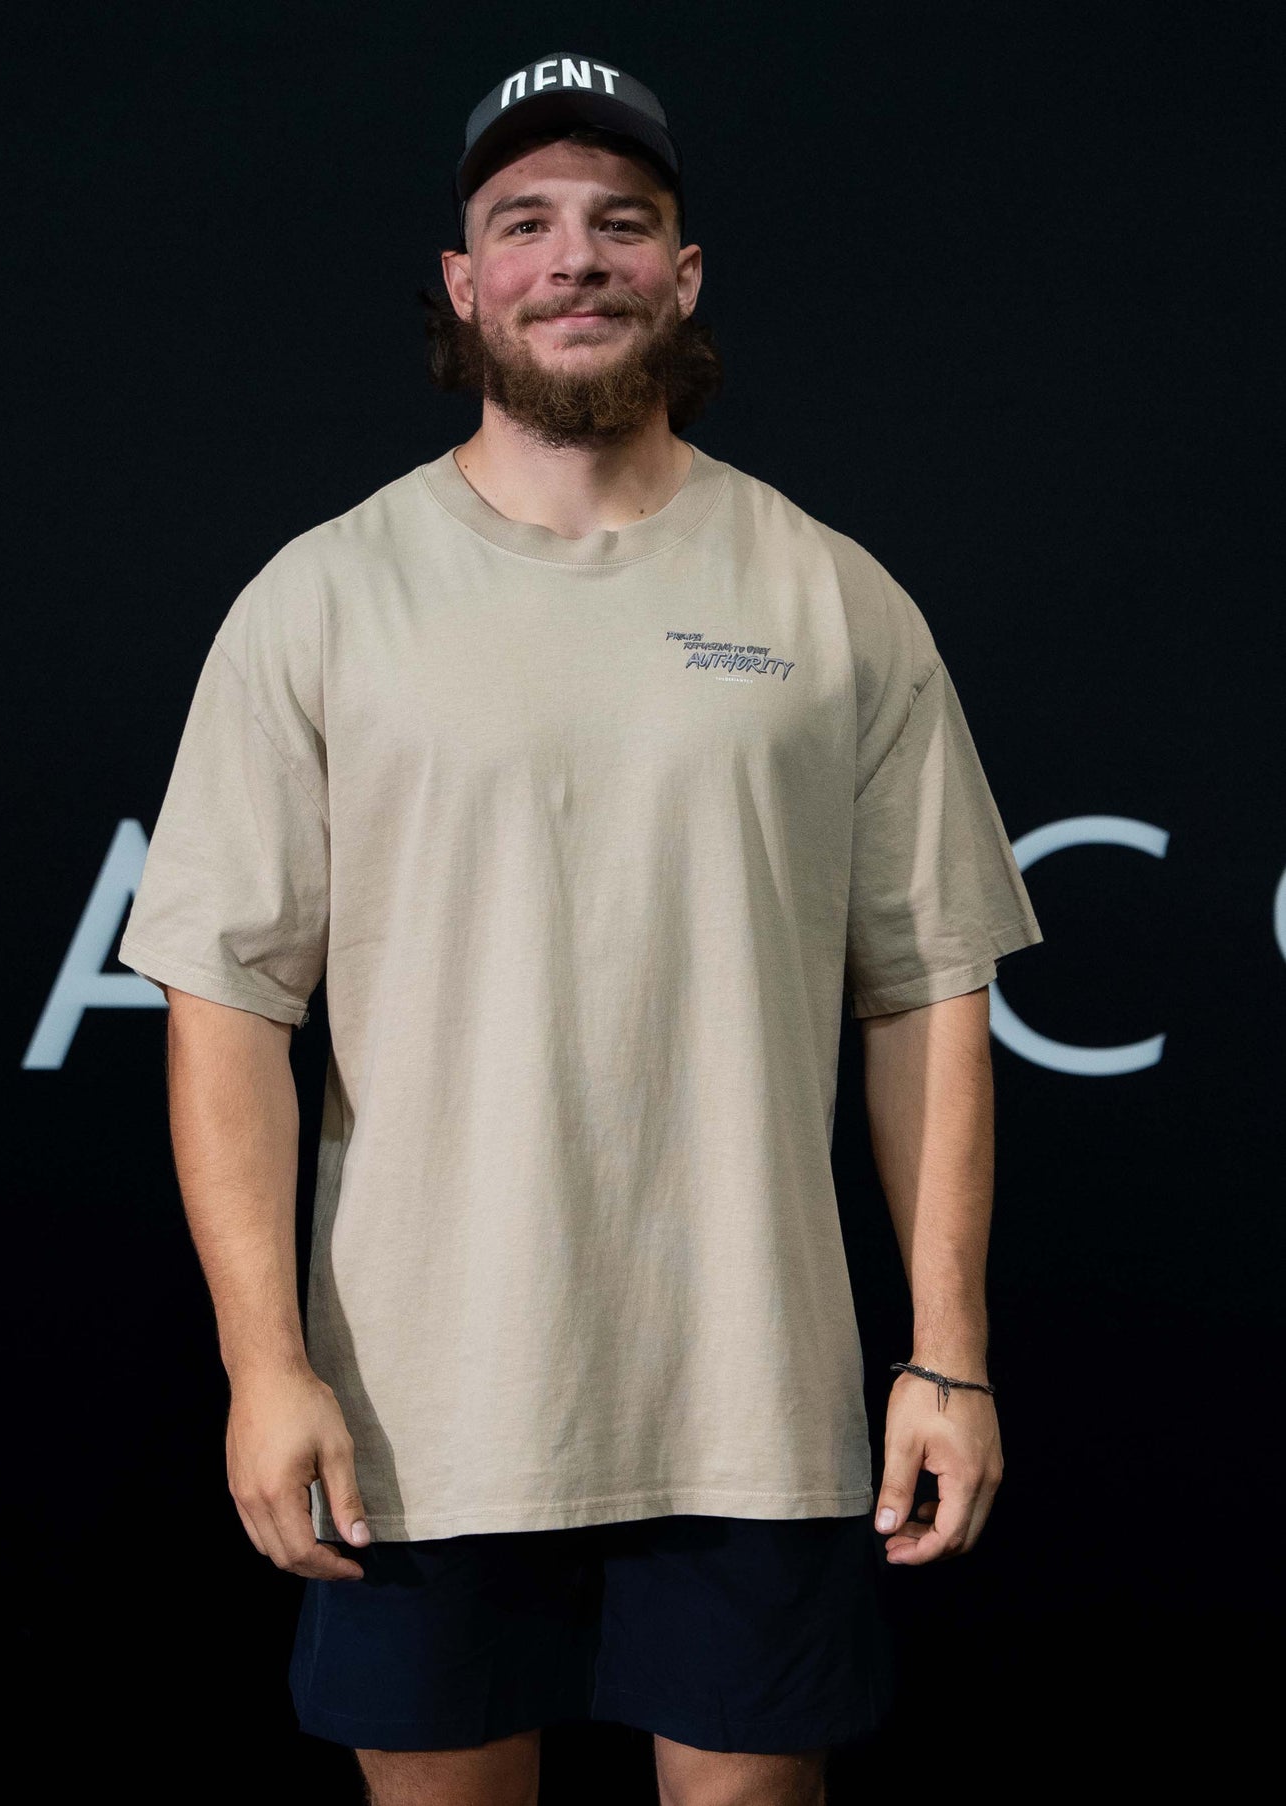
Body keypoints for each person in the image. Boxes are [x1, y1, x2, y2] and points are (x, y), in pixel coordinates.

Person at [118, 50, 1043, 1806]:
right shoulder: (324, 598)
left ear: (681, 275)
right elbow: (225, 1004)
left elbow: (927, 991)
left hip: (758, 1405)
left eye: (622, 223)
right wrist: (263, 1367)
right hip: (420, 1410)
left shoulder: (828, 595)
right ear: (464, 283)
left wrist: (948, 1356)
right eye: (523, 223)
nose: (575, 258)